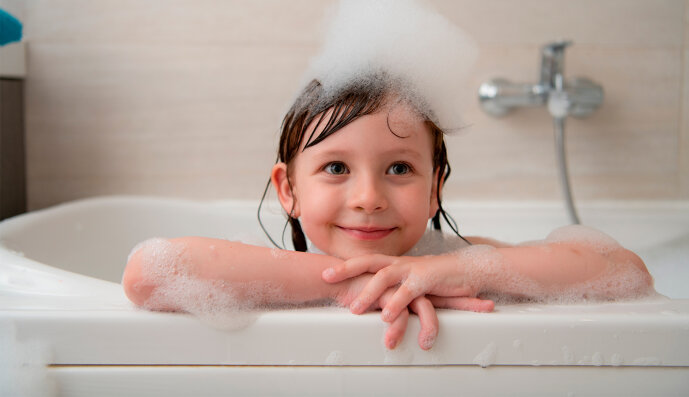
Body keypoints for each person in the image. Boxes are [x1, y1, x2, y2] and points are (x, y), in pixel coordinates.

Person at [122, 77, 654, 351]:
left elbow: (622, 270)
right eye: (335, 167)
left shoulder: (457, 263)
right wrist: (342, 285)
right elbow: (148, 273)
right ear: (288, 190)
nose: (368, 197)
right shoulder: (269, 273)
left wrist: (455, 269)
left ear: (434, 188)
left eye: (399, 169)